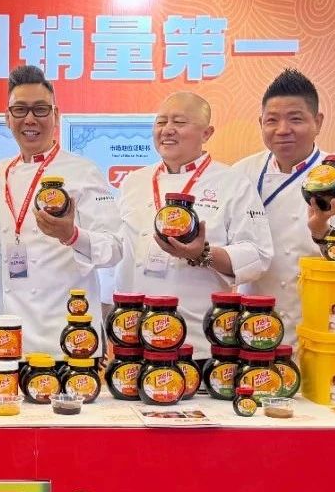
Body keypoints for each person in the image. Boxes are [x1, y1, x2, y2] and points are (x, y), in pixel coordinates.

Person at [116, 92, 273, 362]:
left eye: (179, 122)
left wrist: (203, 254)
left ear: (207, 133)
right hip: (137, 340)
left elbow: (258, 256)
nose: (167, 130)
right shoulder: (133, 182)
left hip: (200, 340)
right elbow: (119, 256)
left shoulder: (232, 182)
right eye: (161, 122)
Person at [234, 69, 335, 344]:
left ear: (318, 122)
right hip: (254, 325)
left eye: (295, 119)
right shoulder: (241, 173)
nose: (282, 130)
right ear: (261, 123)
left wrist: (322, 232)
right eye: (272, 120)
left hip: (316, 324)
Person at [0, 64, 122, 356]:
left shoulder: (83, 171)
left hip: (70, 330)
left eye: (40, 109)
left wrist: (72, 235)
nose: (30, 119)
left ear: (56, 115)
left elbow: (115, 246)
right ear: (7, 118)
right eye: (20, 110)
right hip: (12, 332)